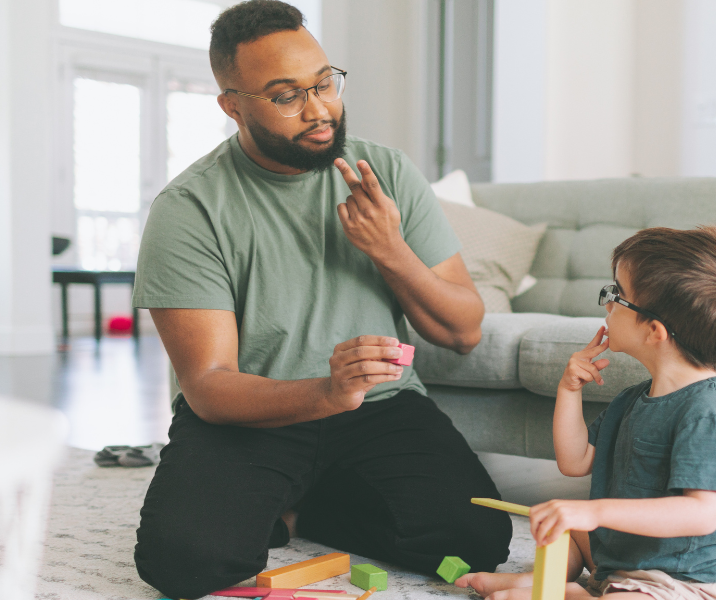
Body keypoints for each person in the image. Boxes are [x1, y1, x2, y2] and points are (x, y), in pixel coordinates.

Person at [129, 1, 511, 598]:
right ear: (233, 105)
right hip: (254, 412)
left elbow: (463, 330)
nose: (319, 109)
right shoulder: (190, 209)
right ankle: (283, 494)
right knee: (186, 563)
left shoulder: (385, 171)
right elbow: (207, 384)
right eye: (286, 96)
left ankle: (303, 510)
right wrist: (326, 392)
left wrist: (391, 249)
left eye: (324, 82)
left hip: (380, 405)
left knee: (476, 540)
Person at [457, 227, 716, 600]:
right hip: (622, 560)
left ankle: (564, 593)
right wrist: (569, 391)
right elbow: (574, 461)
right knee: (569, 527)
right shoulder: (633, 399)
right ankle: (557, 584)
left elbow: (702, 514)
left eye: (617, 295)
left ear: (654, 331)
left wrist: (597, 512)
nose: (608, 305)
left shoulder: (707, 411)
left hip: (681, 581)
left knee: (604, 554)